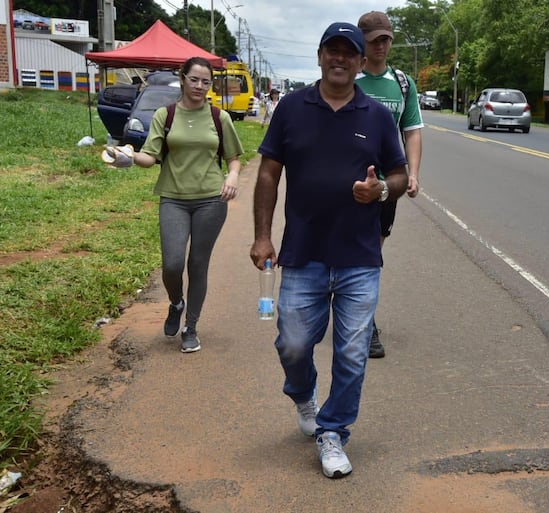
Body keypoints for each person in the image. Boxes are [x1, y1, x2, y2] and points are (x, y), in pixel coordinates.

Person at [249, 22, 407, 478]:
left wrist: (379, 192)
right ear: (319, 57)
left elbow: (398, 177)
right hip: (304, 253)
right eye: (331, 51)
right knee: (294, 344)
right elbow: (267, 175)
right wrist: (263, 236)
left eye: (349, 53)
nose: (339, 59)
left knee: (353, 353)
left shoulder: (376, 115)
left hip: (359, 257)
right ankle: (303, 395)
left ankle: (333, 431)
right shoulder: (291, 108)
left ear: (361, 63)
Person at [103, 56, 244, 354]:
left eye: (206, 82)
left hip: (210, 200)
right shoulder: (164, 115)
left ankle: (191, 327)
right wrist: (126, 157)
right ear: (182, 78)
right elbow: (149, 157)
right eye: (194, 79)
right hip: (174, 199)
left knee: (198, 263)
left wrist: (232, 177)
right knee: (172, 264)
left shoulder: (220, 118)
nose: (199, 86)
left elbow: (233, 158)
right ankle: (176, 302)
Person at [356, 10, 424, 358]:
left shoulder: (402, 83)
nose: (381, 46)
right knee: (350, 252)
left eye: (386, 39)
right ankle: (360, 320)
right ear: (362, 42)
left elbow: (411, 130)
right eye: (374, 40)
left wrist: (412, 173)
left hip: (387, 186)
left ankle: (362, 319)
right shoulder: (347, 77)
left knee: (371, 254)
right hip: (348, 185)